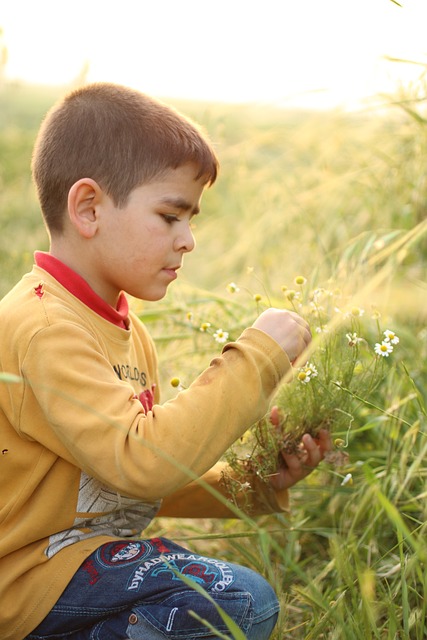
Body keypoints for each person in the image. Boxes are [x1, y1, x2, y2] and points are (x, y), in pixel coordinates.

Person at [0, 82, 331, 640]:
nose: (188, 240)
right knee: (235, 602)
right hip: (26, 582)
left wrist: (255, 482)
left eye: (191, 219)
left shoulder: (124, 330)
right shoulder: (46, 328)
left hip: (79, 571)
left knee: (226, 598)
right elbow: (142, 459)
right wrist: (258, 358)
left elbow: (128, 482)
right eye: (171, 215)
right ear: (88, 208)